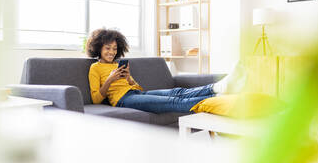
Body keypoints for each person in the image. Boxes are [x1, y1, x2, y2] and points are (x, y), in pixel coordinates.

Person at [86, 28, 245, 114]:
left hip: (136, 94)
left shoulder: (117, 64)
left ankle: (218, 88)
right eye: (107, 48)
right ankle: (218, 99)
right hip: (122, 101)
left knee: (178, 92)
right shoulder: (95, 68)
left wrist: (128, 79)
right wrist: (110, 80)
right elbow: (96, 99)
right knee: (174, 101)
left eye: (114, 48)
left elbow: (139, 89)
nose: (112, 52)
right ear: (98, 48)